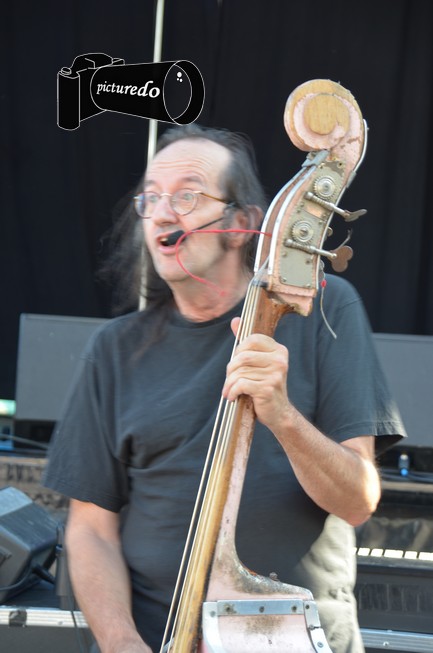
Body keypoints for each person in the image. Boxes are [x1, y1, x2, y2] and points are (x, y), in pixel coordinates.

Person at [44, 123, 405, 653]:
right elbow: (91, 528)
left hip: (289, 640)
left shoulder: (324, 309)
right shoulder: (114, 350)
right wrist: (122, 643)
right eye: (152, 198)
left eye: (187, 196)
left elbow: (358, 502)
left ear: (242, 225)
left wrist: (282, 415)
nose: (163, 213)